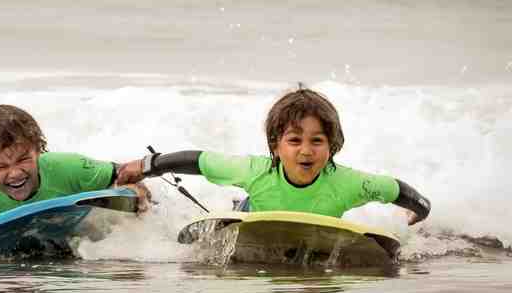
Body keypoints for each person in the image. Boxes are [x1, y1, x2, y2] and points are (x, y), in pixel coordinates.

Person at [116, 86, 430, 225]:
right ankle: (147, 200)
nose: (306, 150)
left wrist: (418, 214)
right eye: (294, 140)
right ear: (275, 145)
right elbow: (198, 161)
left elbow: (399, 191)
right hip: (253, 216)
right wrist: (146, 166)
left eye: (317, 140)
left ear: (332, 146)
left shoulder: (349, 184)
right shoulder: (256, 171)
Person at [0, 104, 149, 241]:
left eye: (23, 159)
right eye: (1, 167)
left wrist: (135, 189)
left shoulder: (70, 168)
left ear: (37, 150)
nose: (14, 173)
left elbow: (121, 174)